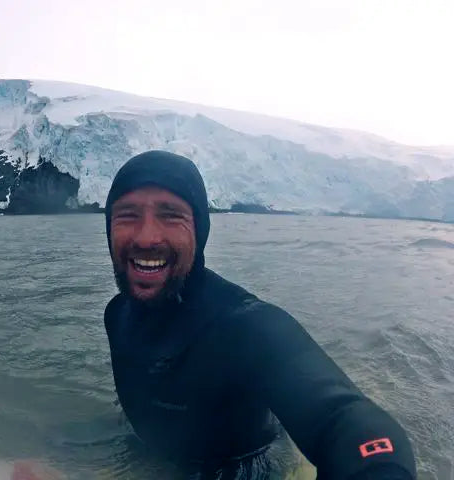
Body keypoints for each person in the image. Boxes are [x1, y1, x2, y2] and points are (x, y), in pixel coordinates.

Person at [102, 150, 417, 480]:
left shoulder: (246, 325)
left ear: (200, 228)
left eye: (171, 215)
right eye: (128, 215)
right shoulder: (116, 314)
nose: (147, 236)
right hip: (147, 458)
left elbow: (342, 417)